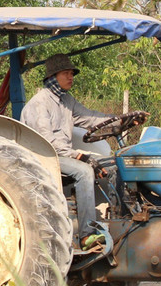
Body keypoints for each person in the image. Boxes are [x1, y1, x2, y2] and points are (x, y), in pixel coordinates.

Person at [19, 53, 107, 248]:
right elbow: (47, 142)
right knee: (84, 172)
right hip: (44, 159)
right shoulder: (39, 103)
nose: (71, 77)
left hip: (62, 156)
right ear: (53, 76)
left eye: (72, 74)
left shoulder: (67, 101)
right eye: (66, 73)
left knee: (111, 165)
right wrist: (78, 155)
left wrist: (121, 119)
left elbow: (90, 118)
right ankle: (87, 234)